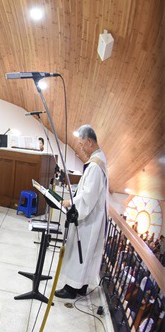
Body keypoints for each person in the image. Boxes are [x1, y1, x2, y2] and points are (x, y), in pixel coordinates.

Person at [56, 125, 109, 299]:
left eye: (81, 144)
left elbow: (88, 196)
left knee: (80, 252)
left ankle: (71, 289)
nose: (81, 148)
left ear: (90, 141)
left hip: (89, 219)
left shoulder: (95, 166)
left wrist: (71, 203)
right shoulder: (100, 158)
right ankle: (81, 287)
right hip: (94, 217)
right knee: (86, 254)